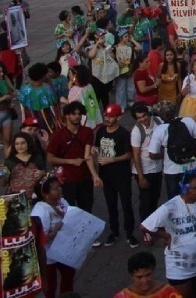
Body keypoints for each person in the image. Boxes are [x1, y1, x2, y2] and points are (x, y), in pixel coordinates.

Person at [141, 171, 196, 298]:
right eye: (195, 188)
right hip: (179, 268)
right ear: (185, 190)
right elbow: (145, 226)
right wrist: (166, 236)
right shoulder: (171, 206)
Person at [94, 103, 139, 248]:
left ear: (118, 118)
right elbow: (97, 147)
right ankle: (114, 231)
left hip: (122, 175)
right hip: (106, 175)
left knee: (126, 204)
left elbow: (129, 154)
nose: (107, 118)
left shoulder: (124, 134)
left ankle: (130, 233)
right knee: (111, 204)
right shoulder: (101, 131)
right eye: (106, 115)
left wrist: (112, 159)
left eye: (110, 116)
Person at [46, 100, 100, 212]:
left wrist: (95, 176)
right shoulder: (58, 135)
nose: (77, 117)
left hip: (85, 179)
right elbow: (50, 158)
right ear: (67, 115)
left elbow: (88, 155)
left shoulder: (88, 132)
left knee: (86, 210)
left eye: (79, 114)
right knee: (68, 212)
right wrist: (71, 161)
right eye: (73, 114)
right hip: (66, 180)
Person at [148, 100, 196, 200]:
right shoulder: (188, 121)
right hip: (191, 167)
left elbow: (152, 154)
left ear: (161, 115)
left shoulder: (160, 130)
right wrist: (192, 151)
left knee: (175, 200)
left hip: (172, 171)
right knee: (195, 196)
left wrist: (165, 155)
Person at [31, 176, 76, 297]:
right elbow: (39, 239)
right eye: (55, 189)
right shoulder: (40, 212)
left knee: (68, 282)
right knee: (50, 288)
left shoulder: (62, 202)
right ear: (45, 194)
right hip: (48, 257)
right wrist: (55, 230)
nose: (60, 190)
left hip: (65, 251)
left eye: (59, 187)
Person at [131, 102, 165, 245]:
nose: (143, 120)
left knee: (155, 197)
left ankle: (154, 224)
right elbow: (136, 155)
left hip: (157, 168)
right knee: (145, 201)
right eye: (139, 118)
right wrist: (141, 176)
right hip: (144, 170)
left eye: (144, 116)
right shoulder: (136, 131)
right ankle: (146, 230)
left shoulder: (159, 122)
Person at [114, 251, 181, 298]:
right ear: (131, 275)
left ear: (153, 270)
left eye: (148, 275)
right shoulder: (122, 296)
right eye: (139, 277)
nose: (145, 280)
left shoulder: (168, 292)